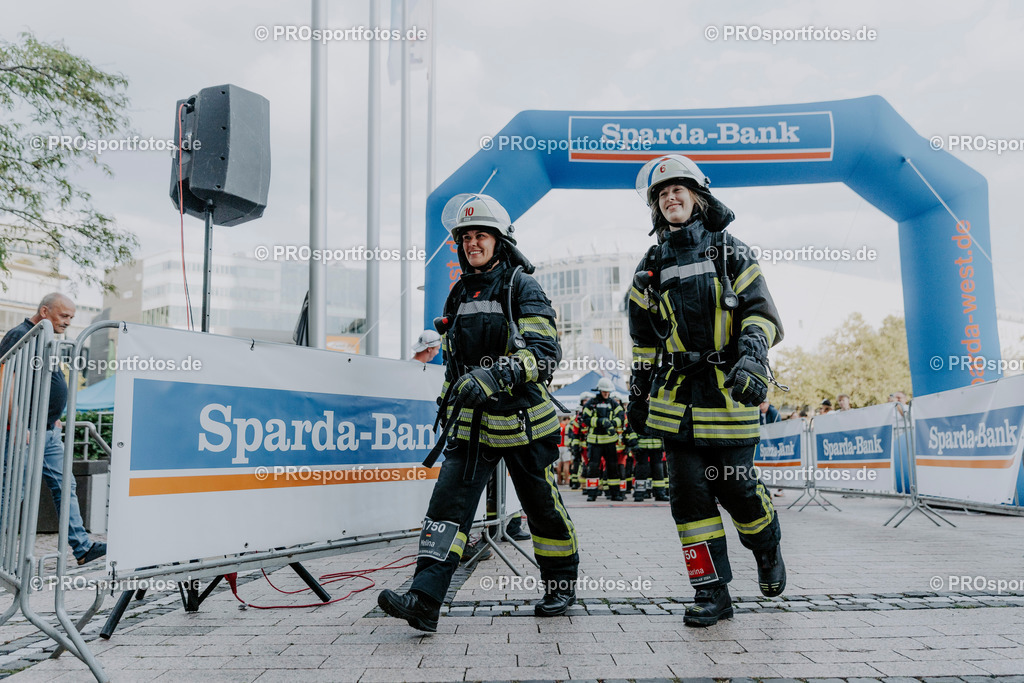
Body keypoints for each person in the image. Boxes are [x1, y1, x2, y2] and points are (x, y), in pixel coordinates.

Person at [378, 194, 578, 631]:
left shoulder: (521, 286)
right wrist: (448, 400)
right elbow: (454, 365)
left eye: (480, 235)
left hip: (524, 423)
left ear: (499, 240)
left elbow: (545, 354)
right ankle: (424, 600)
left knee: (542, 508)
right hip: (472, 426)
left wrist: (495, 374)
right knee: (445, 510)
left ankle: (561, 585)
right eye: (465, 237)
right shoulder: (458, 294)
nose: (472, 243)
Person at [627, 155, 785, 627]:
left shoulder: (730, 251)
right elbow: (643, 340)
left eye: (678, 189)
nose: (670, 197)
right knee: (689, 499)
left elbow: (761, 313)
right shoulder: (650, 266)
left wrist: (753, 355)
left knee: (737, 489)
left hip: (727, 392)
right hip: (675, 401)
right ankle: (711, 592)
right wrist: (638, 393)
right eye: (662, 193)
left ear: (698, 197)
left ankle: (766, 545)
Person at [0, 293, 106, 566]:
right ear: (45, 311)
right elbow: (4, 380)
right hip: (23, 431)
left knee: (65, 486)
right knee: (11, 493)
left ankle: (82, 548)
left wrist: (53, 416)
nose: (68, 321)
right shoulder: (21, 334)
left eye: (71, 317)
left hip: (47, 430)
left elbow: (46, 380)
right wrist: (18, 423)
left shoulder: (46, 339)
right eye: (64, 315)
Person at [581, 377, 625, 501]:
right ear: (600, 390)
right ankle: (592, 494)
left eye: (608, 392)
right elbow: (586, 419)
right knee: (593, 468)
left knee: (613, 468)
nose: (606, 394)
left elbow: (621, 416)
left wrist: (612, 423)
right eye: (604, 391)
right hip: (595, 442)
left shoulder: (613, 403)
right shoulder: (592, 403)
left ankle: (615, 494)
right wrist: (600, 421)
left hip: (610, 441)